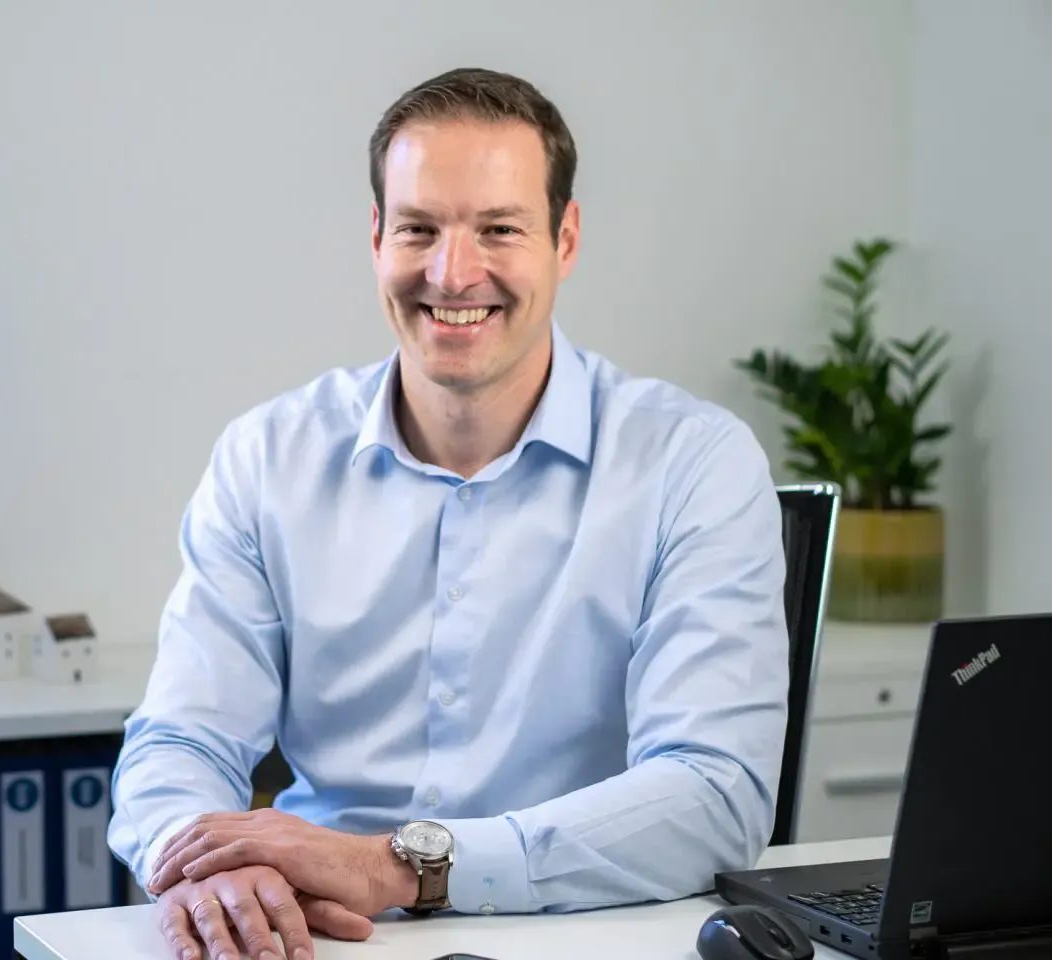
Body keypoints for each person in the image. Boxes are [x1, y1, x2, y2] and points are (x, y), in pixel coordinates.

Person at [109, 66, 789, 960]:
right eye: (420, 228)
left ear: (566, 238)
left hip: (593, 935)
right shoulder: (266, 458)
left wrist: (399, 866)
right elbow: (180, 737)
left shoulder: (692, 462)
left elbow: (714, 791)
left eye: (499, 229)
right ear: (378, 236)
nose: (453, 272)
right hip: (320, 935)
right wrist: (207, 862)